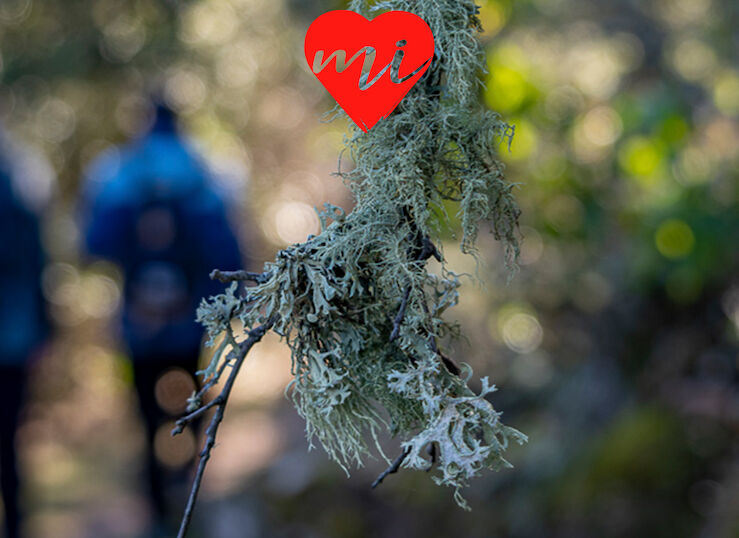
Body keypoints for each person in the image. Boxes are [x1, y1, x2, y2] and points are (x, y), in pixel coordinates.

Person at [80, 103, 244, 526]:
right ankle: (188, 481)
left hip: (139, 324)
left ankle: (155, 505)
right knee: (196, 396)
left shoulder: (119, 171)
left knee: (143, 413)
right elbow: (227, 252)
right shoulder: (203, 170)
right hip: (189, 321)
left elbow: (94, 243)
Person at [0, 127, 54, 538]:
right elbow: (38, 264)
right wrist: (43, 328)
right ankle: (16, 522)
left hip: (15, 335)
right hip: (14, 337)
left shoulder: (19, 182)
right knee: (8, 438)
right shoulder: (19, 184)